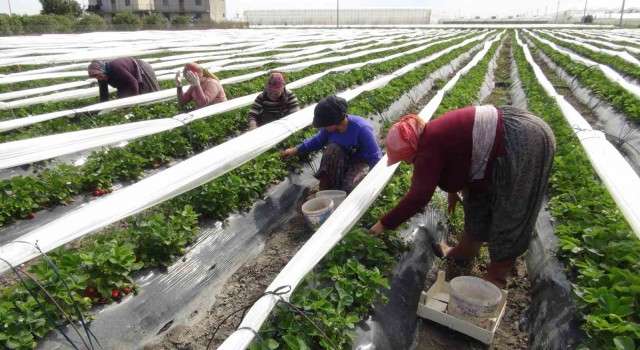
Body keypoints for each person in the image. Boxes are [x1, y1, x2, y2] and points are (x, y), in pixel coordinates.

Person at [369, 106, 556, 288]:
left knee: (513, 209)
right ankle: (464, 252)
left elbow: (417, 198)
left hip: (523, 140)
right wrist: (452, 191)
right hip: (510, 130)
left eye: (405, 158)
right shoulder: (430, 135)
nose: (407, 163)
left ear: (410, 149)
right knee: (476, 197)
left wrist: (382, 225)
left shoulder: (428, 147)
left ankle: (496, 279)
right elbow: (457, 156)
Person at [281, 95, 382, 193]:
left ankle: (342, 192)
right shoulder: (329, 130)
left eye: (324, 125)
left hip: (361, 162)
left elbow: (375, 157)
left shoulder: (361, 128)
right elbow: (317, 141)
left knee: (349, 188)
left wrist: (374, 180)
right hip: (344, 160)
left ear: (334, 122)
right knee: (332, 149)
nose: (323, 128)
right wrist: (295, 149)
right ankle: (323, 193)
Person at [88, 57, 160, 102]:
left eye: (100, 76)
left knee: (149, 91)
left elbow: (133, 82)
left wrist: (134, 102)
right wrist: (103, 107)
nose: (100, 79)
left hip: (142, 68)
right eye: (97, 77)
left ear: (103, 70)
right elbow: (103, 92)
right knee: (123, 97)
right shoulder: (101, 75)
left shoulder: (116, 67)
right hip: (125, 77)